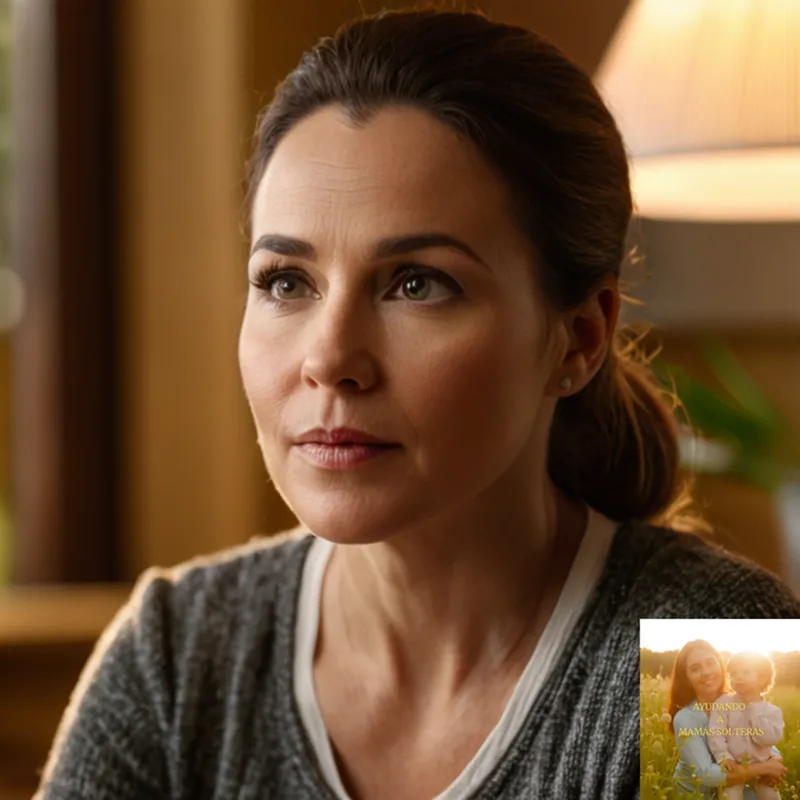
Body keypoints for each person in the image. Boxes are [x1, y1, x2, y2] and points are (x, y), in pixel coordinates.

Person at [35, 6, 800, 799]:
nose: (330, 359)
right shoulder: (175, 655)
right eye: (286, 282)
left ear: (577, 339)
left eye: (416, 284)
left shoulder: (713, 647)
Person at [669, 641, 787, 799]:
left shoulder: (738, 700)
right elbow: (707, 775)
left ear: (721, 665)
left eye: (710, 663)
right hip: (699, 793)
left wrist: (775, 759)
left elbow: (755, 736)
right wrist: (765, 768)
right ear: (687, 679)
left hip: (736, 782)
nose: (706, 672)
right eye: (695, 669)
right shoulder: (685, 718)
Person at [707, 651, 785, 800]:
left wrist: (753, 707)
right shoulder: (723, 703)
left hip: (761, 768)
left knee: (771, 796)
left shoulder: (773, 712)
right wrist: (724, 757)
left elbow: (768, 739)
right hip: (735, 766)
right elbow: (715, 732)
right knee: (729, 796)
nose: (739, 677)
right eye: (734, 673)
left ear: (762, 678)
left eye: (746, 672)